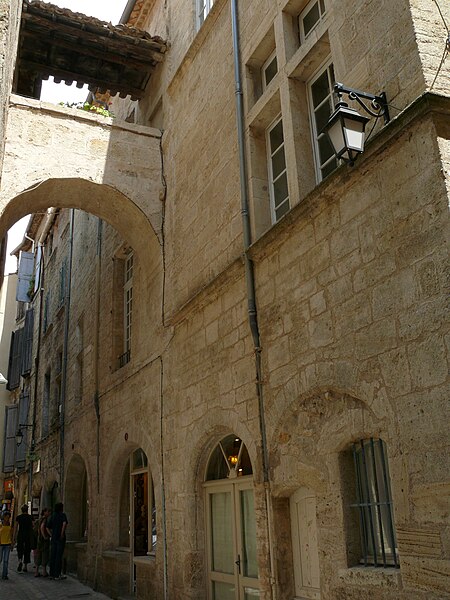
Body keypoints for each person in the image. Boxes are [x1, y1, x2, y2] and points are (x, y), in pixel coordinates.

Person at [47, 502, 68, 580]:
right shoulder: (62, 515)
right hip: (59, 538)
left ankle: (51, 573)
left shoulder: (52, 516)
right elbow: (64, 523)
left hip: (54, 538)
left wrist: (51, 534)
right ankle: (57, 574)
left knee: (53, 555)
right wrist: (62, 533)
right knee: (58, 556)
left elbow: (47, 527)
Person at [15, 504, 33, 573]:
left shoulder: (18, 517)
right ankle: (25, 566)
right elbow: (33, 526)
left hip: (20, 535)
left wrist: (14, 537)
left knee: (20, 548)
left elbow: (16, 527)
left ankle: (20, 560)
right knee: (27, 550)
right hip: (28, 535)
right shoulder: (30, 517)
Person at [35, 508, 51, 577]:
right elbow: (42, 528)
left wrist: (39, 536)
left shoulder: (40, 519)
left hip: (39, 539)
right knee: (44, 554)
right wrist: (45, 536)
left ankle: (36, 571)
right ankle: (44, 571)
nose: (49, 513)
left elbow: (38, 529)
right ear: (44, 512)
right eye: (48, 511)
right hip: (43, 540)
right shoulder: (45, 519)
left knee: (39, 554)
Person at [0, 511, 14, 580]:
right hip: (0, 544)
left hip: (7, 544)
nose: (7, 518)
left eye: (8, 517)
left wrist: (12, 543)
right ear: (4, 517)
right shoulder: (0, 524)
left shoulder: (10, 525)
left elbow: (11, 535)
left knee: (6, 560)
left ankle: (4, 575)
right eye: (6, 517)